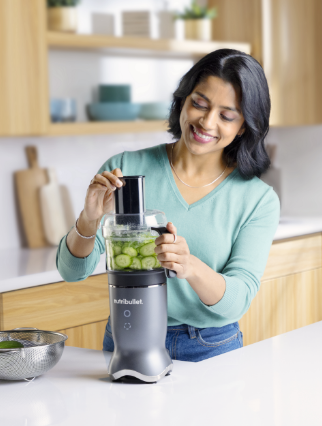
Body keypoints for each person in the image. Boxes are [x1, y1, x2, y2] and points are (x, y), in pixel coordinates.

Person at [56, 49, 280, 362]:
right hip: (128, 334)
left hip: (211, 347)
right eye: (199, 103)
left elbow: (238, 299)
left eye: (226, 116)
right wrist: (88, 221)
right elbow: (72, 272)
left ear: (243, 126)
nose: (206, 121)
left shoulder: (257, 200)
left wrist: (190, 266)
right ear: (182, 100)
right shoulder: (125, 169)